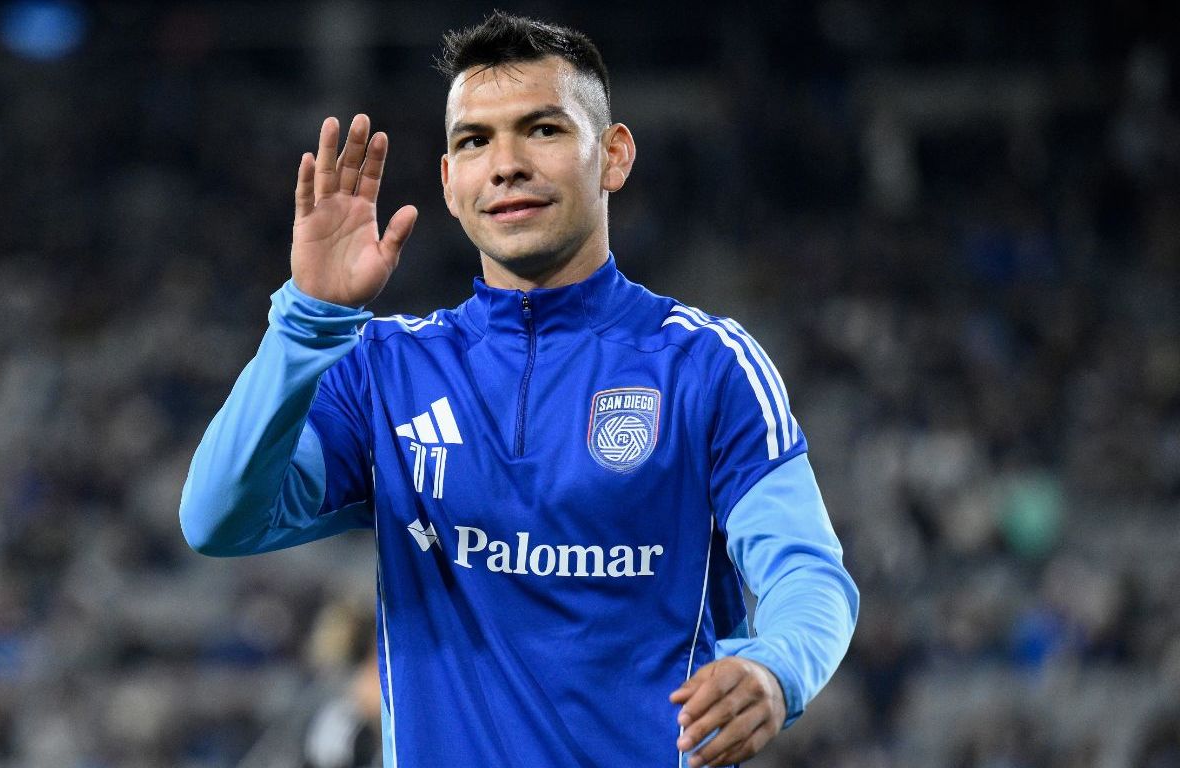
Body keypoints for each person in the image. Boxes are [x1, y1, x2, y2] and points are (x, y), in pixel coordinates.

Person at [180, 11, 858, 767]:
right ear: (449, 181)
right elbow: (217, 519)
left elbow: (807, 573)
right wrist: (309, 320)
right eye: (475, 141)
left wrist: (775, 667)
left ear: (613, 155)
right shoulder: (385, 373)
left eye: (542, 130)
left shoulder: (706, 366)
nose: (505, 164)